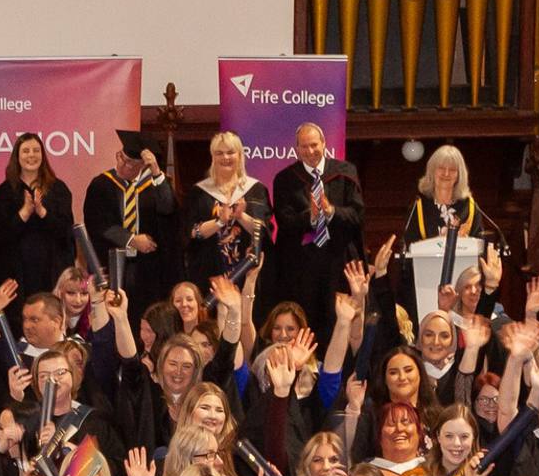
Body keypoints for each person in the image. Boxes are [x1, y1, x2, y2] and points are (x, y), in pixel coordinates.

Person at [272, 123, 364, 343]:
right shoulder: (284, 179)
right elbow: (285, 223)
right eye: (304, 147)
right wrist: (311, 217)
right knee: (306, 325)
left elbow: (357, 216)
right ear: (296, 148)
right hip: (303, 268)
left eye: (314, 145)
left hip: (338, 263)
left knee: (339, 323)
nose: (310, 151)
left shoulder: (345, 173)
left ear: (324, 144)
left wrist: (331, 211)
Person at [83, 130, 175, 316]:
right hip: (112, 264)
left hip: (148, 270)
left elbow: (168, 208)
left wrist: (156, 172)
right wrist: (131, 239)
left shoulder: (154, 186)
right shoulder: (101, 184)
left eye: (131, 163)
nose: (123, 165)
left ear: (143, 165)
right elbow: (97, 223)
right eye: (121, 158)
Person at [183, 130, 270, 291]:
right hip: (209, 272)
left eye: (230, 152)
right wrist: (220, 221)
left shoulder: (256, 189)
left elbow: (262, 231)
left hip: (247, 272)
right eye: (219, 153)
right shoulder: (199, 192)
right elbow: (192, 232)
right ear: (213, 157)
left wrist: (241, 216)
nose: (225, 158)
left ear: (240, 155)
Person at [0, 132, 73, 298]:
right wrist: (24, 213)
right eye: (26, 151)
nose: (31, 155)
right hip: (15, 275)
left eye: (36, 150)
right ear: (17, 156)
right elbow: (0, 236)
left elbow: (66, 232)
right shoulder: (4, 191)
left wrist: (43, 212)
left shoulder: (58, 188)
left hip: (51, 272)